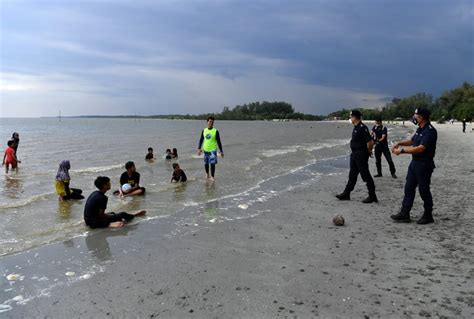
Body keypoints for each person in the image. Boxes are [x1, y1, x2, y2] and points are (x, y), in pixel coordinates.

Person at [391, 108, 437, 224]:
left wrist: (401, 151)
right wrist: (399, 142)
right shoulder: (419, 129)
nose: (414, 117)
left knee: (424, 190)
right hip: (414, 163)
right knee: (409, 188)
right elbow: (412, 141)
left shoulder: (430, 131)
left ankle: (428, 215)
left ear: (422, 117)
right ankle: (405, 213)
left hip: (424, 164)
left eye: (416, 115)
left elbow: (421, 148)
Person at [336, 110, 378, 203]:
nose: (350, 119)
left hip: (361, 154)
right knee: (352, 175)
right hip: (354, 154)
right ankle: (346, 193)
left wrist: (369, 151)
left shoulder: (362, 128)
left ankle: (372, 196)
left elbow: (370, 141)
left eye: (351, 117)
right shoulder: (356, 127)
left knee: (365, 175)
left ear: (355, 117)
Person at [197, 116, 224, 181]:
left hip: (213, 150)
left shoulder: (215, 131)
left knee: (212, 163)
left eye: (212, 122)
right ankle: (207, 174)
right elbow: (201, 140)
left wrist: (221, 151)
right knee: (206, 163)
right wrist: (199, 148)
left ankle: (212, 176)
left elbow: (219, 141)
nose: (211, 123)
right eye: (210, 121)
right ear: (207, 122)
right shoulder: (204, 130)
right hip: (205, 150)